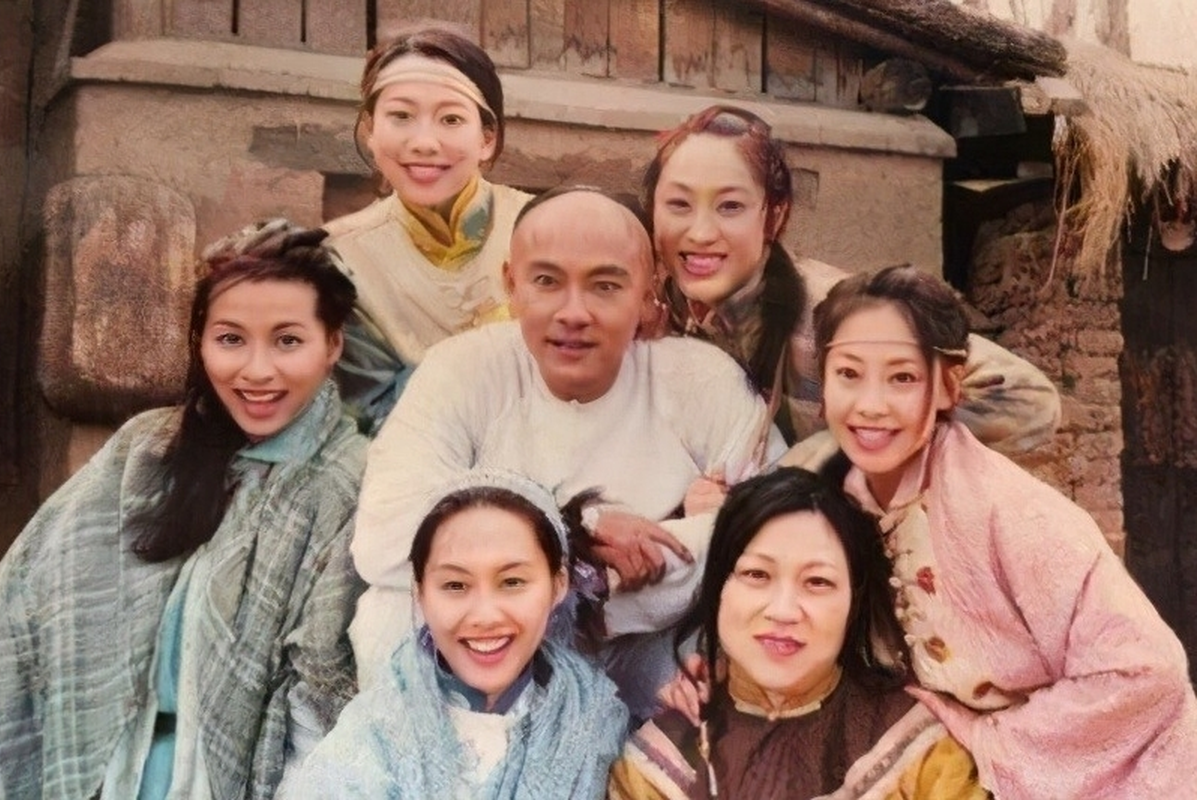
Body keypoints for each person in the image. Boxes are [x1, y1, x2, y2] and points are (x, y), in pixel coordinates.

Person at [0, 228, 368, 798]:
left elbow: (321, 714)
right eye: (230, 339)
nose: (256, 371)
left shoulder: (352, 484)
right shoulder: (145, 451)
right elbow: (9, 634)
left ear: (333, 344)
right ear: (200, 341)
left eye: (287, 341)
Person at [348, 185, 785, 712]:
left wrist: (607, 571)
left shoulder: (697, 378)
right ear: (512, 285)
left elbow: (777, 528)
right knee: (386, 619)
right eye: (547, 282)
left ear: (648, 291)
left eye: (605, 286)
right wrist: (577, 536)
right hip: (491, 636)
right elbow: (386, 538)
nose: (573, 312)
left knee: (735, 644)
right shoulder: (462, 370)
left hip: (640, 648)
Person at [808, 265, 1197, 797]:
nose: (870, 405)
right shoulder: (838, 499)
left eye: (902, 378)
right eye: (849, 374)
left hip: (1115, 769)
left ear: (949, 384)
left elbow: (1147, 671)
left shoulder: (1010, 511)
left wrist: (991, 739)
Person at [643, 104, 1061, 454]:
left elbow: (1029, 401)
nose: (700, 233)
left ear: (774, 214)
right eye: (679, 204)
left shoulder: (833, 314)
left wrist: (845, 456)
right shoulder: (659, 310)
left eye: (730, 206)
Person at [609, 467, 987, 799]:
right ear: (718, 588)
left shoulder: (919, 749)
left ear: (853, 599)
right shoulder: (655, 771)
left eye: (818, 581)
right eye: (757, 574)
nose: (784, 611)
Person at [278, 469, 629, 797]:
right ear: (420, 593)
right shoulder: (369, 739)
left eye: (512, 582)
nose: (485, 616)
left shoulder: (596, 721)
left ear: (558, 585)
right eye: (455, 585)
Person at [324, 26, 532, 432]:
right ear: (370, 130)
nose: (424, 142)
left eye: (451, 119)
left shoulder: (543, 228)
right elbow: (369, 408)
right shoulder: (340, 258)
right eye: (401, 116)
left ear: (487, 139)